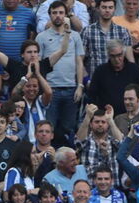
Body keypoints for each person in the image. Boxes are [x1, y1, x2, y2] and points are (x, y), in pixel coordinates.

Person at [36, 2, 84, 144]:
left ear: (66, 14)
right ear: (49, 15)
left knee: (68, 129)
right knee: (48, 128)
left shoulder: (75, 36)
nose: (58, 16)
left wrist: (80, 85)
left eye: (61, 13)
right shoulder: (41, 37)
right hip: (51, 89)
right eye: (54, 12)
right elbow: (40, 65)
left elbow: (79, 61)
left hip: (71, 88)